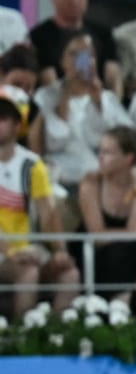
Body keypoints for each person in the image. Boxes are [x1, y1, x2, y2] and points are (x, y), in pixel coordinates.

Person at [0, 94, 80, 318]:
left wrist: (60, 251)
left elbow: (48, 213)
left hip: (26, 248)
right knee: (28, 272)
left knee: (69, 274)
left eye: (2, 118)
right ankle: (22, 339)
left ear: (17, 125)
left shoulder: (31, 164)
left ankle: (55, 338)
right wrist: (11, 252)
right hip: (8, 252)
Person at [78, 125, 136, 313]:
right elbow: (98, 235)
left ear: (128, 158)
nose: (100, 157)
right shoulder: (91, 182)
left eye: (108, 152)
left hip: (133, 250)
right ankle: (130, 313)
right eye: (100, 151)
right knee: (129, 251)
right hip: (95, 249)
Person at [29, 32, 131, 188]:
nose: (81, 61)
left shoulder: (107, 98)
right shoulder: (45, 96)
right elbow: (54, 141)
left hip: (101, 180)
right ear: (62, 61)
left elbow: (128, 139)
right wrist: (65, 95)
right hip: (60, 180)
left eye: (88, 55)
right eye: (74, 54)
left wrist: (97, 101)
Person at [28, 0, 121, 91]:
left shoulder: (103, 33)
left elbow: (113, 76)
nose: (72, 0)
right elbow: (48, 81)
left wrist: (112, 105)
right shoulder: (39, 36)